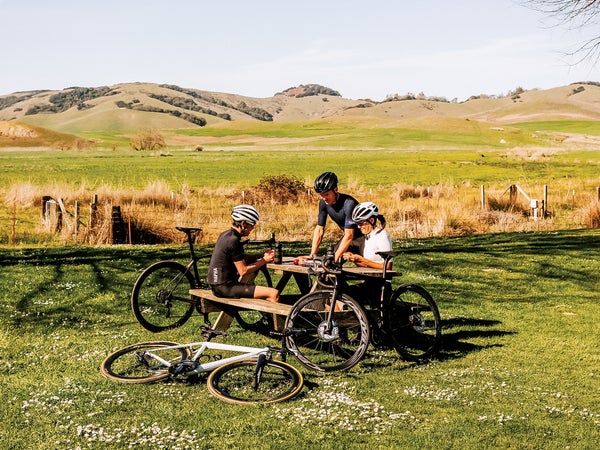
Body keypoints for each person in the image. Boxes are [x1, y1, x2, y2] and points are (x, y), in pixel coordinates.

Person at [208, 204, 280, 303]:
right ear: (243, 224)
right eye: (252, 224)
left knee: (266, 294)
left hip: (217, 286)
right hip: (226, 288)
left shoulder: (225, 235)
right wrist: (264, 260)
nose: (253, 227)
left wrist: (261, 255)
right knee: (273, 294)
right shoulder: (233, 241)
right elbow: (243, 270)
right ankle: (277, 319)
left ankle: (269, 317)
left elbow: (239, 258)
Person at [304, 171, 363, 263]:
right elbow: (319, 229)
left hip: (364, 239)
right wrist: (312, 254)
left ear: (336, 189)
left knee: (372, 275)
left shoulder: (349, 204)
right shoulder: (323, 203)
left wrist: (334, 260)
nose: (324, 198)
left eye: (326, 194)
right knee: (327, 268)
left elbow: (349, 235)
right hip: (349, 239)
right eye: (321, 195)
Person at [343, 201, 392, 270]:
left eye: (360, 223)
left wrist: (362, 259)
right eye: (357, 223)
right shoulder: (368, 236)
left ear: (371, 220)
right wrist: (354, 259)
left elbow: (387, 267)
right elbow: (368, 265)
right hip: (369, 277)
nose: (358, 227)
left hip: (381, 280)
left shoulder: (382, 236)